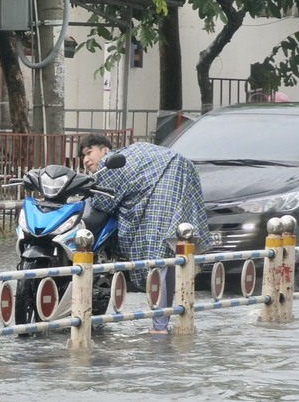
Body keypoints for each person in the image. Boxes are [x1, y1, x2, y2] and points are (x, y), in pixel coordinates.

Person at [79, 134, 212, 334]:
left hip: (166, 188)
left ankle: (160, 325)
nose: (86, 160)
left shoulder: (110, 164)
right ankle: (170, 320)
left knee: (156, 258)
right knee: (174, 253)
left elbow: (103, 204)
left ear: (105, 150)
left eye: (89, 153)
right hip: (184, 176)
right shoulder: (133, 153)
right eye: (83, 157)